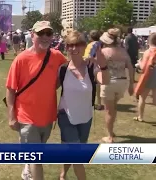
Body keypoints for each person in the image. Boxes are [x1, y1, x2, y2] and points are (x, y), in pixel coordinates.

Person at [5, 21, 67, 180]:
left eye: (49, 33)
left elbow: (68, 72)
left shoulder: (57, 56)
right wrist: (11, 117)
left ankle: (27, 167)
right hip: (27, 116)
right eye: (41, 33)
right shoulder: (21, 59)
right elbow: (11, 89)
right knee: (36, 157)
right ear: (32, 35)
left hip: (47, 116)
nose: (45, 37)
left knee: (38, 149)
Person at [58, 30, 109, 180]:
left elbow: (104, 81)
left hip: (86, 118)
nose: (74, 48)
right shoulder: (62, 69)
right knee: (77, 156)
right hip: (66, 117)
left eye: (78, 44)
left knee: (71, 150)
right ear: (66, 47)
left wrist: (102, 62)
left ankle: (63, 174)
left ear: (84, 46)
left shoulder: (91, 67)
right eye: (70, 45)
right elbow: (48, 88)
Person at [99, 29, 134, 143]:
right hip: (122, 82)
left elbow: (96, 66)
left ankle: (109, 136)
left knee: (108, 110)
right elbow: (131, 67)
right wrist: (131, 84)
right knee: (113, 107)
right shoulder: (123, 51)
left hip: (108, 82)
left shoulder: (103, 51)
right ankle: (111, 130)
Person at [134, 33, 156, 129]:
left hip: (148, 75)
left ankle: (140, 116)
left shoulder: (148, 52)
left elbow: (143, 67)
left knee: (142, 98)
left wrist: (139, 63)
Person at [83, 30, 104, 110]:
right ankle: (99, 103)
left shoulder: (91, 45)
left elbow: (87, 57)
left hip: (92, 66)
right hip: (101, 66)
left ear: (91, 36)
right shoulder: (102, 44)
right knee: (98, 85)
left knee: (91, 84)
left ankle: (90, 102)